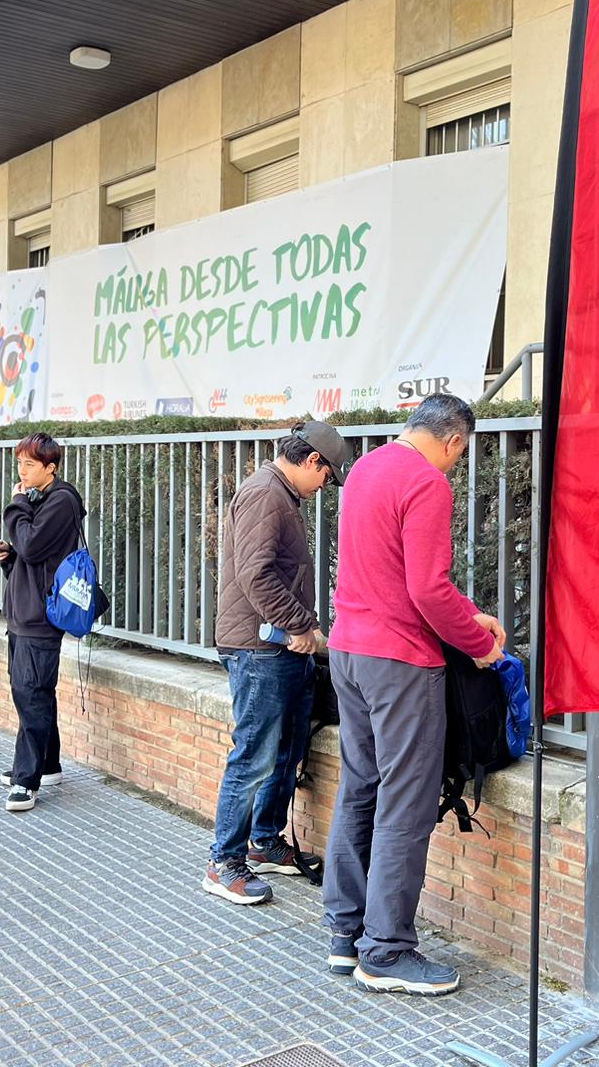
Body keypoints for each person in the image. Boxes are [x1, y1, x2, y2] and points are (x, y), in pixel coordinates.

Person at [322, 394, 505, 995]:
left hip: (349, 651)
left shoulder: (367, 468)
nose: (455, 464)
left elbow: (385, 574)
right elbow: (427, 588)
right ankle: (388, 951)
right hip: (399, 663)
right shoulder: (427, 482)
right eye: (460, 454)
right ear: (454, 442)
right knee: (405, 803)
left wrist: (467, 618)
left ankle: (346, 935)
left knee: (361, 789)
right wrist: (479, 642)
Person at [204, 422, 353, 907]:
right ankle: (224, 862)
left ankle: (264, 841)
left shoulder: (279, 493)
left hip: (277, 648)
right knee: (255, 755)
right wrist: (301, 627)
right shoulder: (267, 494)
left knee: (286, 749)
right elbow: (255, 574)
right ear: (313, 461)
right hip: (260, 648)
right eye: (328, 477)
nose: (325, 487)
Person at [0, 433, 86, 813]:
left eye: (29, 464)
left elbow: (31, 544)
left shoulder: (62, 501)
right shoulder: (41, 500)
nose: (22, 471)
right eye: (19, 463)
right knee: (35, 690)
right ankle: (48, 764)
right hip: (24, 612)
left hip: (40, 617)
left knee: (29, 692)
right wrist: (8, 557)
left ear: (51, 467)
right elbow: (30, 556)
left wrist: (15, 506)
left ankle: (26, 781)